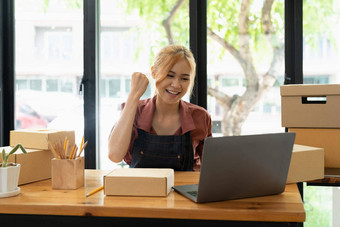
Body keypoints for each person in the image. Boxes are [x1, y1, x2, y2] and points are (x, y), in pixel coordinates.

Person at [108, 44, 212, 171]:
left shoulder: (200, 116)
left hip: (184, 190)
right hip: (139, 189)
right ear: (154, 72)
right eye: (170, 75)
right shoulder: (135, 111)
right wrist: (133, 96)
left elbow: (211, 169)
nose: (176, 85)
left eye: (184, 78)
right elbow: (114, 155)